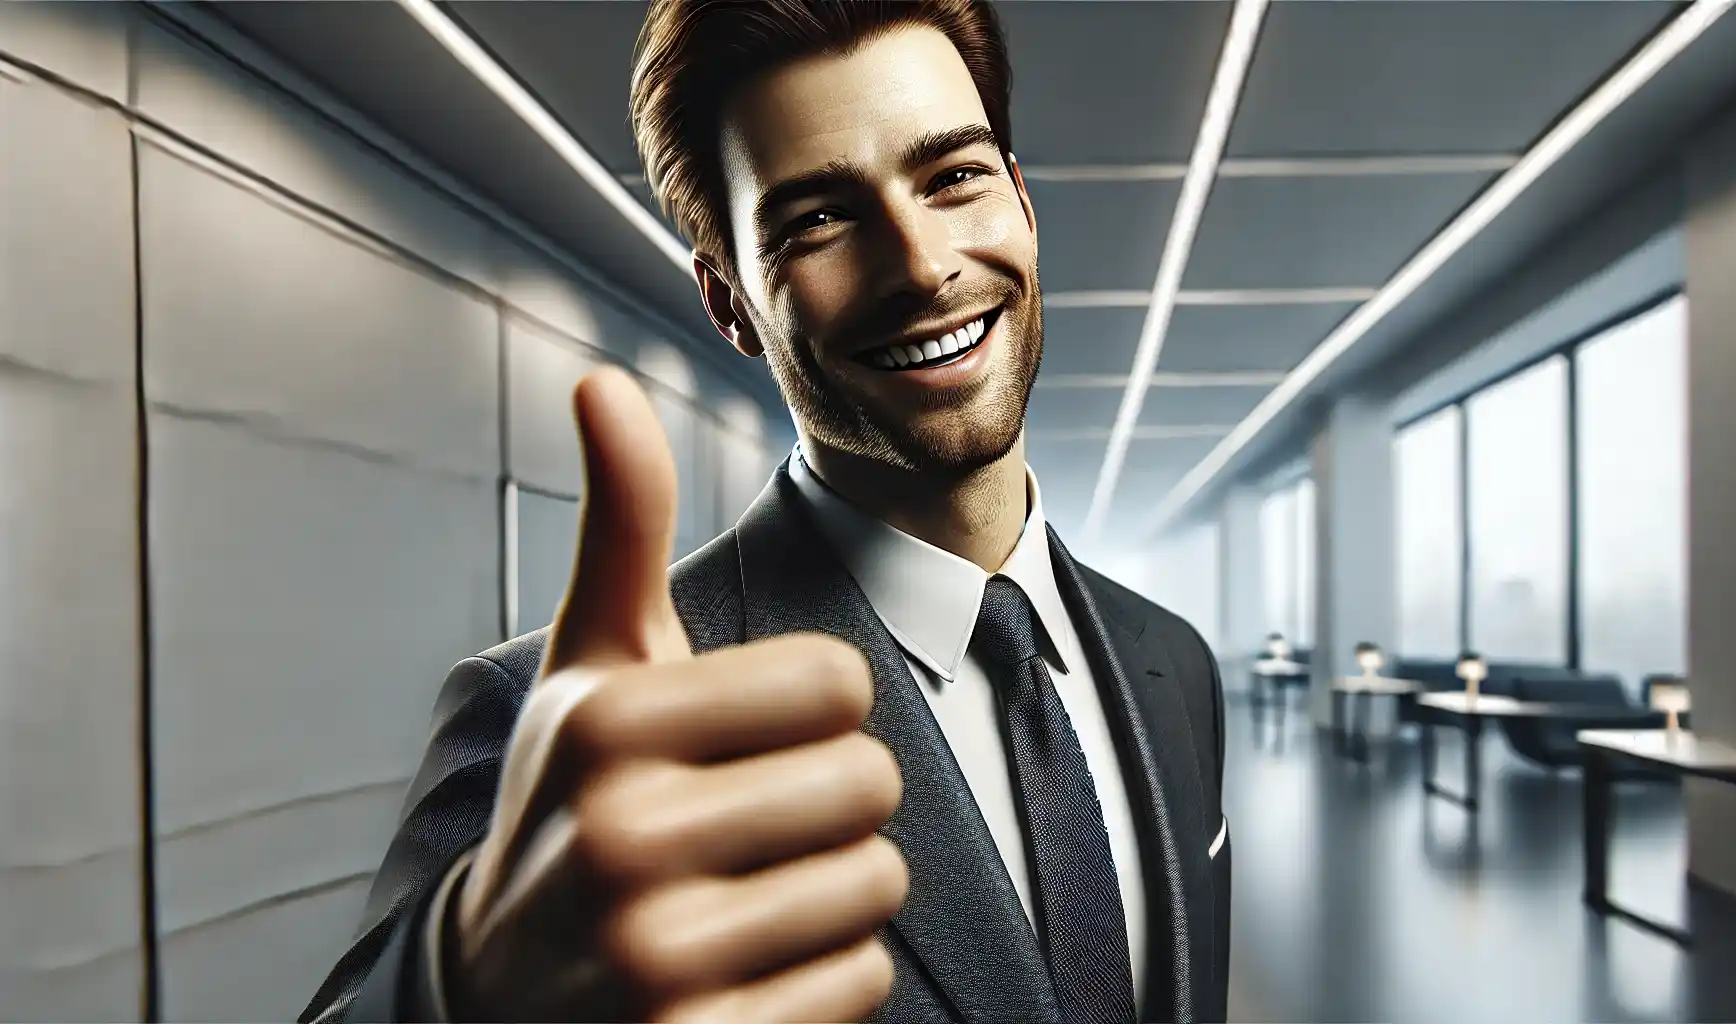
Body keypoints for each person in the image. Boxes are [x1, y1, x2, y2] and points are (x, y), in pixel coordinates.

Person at [301, 1, 1228, 1021]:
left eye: (953, 176)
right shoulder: (571, 728)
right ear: (730, 301)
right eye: (818, 219)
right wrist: (464, 991)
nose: (921, 266)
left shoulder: (1170, 663)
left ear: (1021, 200)